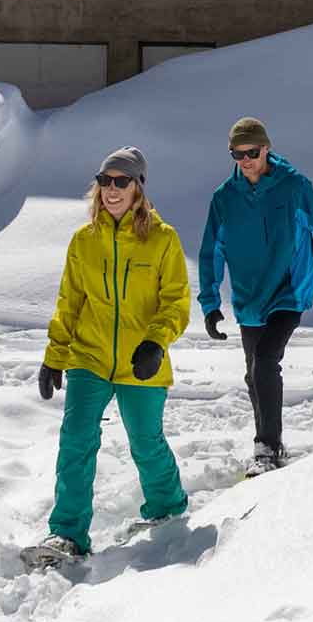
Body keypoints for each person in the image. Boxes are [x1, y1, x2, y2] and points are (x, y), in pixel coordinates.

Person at [25, 146, 191, 568]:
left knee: (145, 441)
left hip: (141, 361)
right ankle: (67, 533)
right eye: (105, 181)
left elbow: (175, 301)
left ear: (138, 188)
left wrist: (156, 343)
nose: (112, 190)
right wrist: (54, 357)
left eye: (122, 181)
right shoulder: (84, 241)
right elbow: (70, 302)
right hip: (90, 356)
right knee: (76, 439)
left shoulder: (163, 239)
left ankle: (167, 505)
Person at [197, 117, 313, 477]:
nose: (245, 160)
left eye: (252, 152)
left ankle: (266, 447)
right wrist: (209, 303)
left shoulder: (294, 187)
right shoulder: (224, 198)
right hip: (249, 298)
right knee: (254, 374)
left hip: (288, 292)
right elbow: (211, 252)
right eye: (237, 154)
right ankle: (270, 442)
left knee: (266, 360)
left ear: (266, 148)